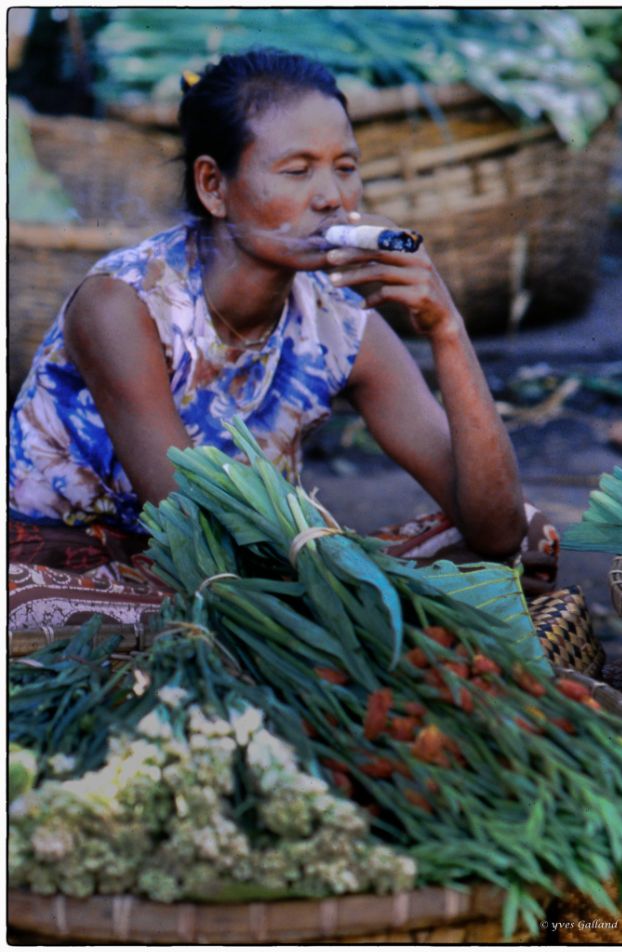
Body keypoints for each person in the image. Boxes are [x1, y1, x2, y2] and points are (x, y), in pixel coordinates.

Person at [8, 49, 557, 632]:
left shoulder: (338, 320)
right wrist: (345, 585)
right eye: (298, 171)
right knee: (38, 607)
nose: (332, 197)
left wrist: (447, 329)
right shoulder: (122, 305)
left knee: (529, 543)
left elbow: (496, 531)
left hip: (261, 570)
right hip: (85, 564)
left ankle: (323, 620)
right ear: (213, 186)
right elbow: (199, 539)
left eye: (345, 167)